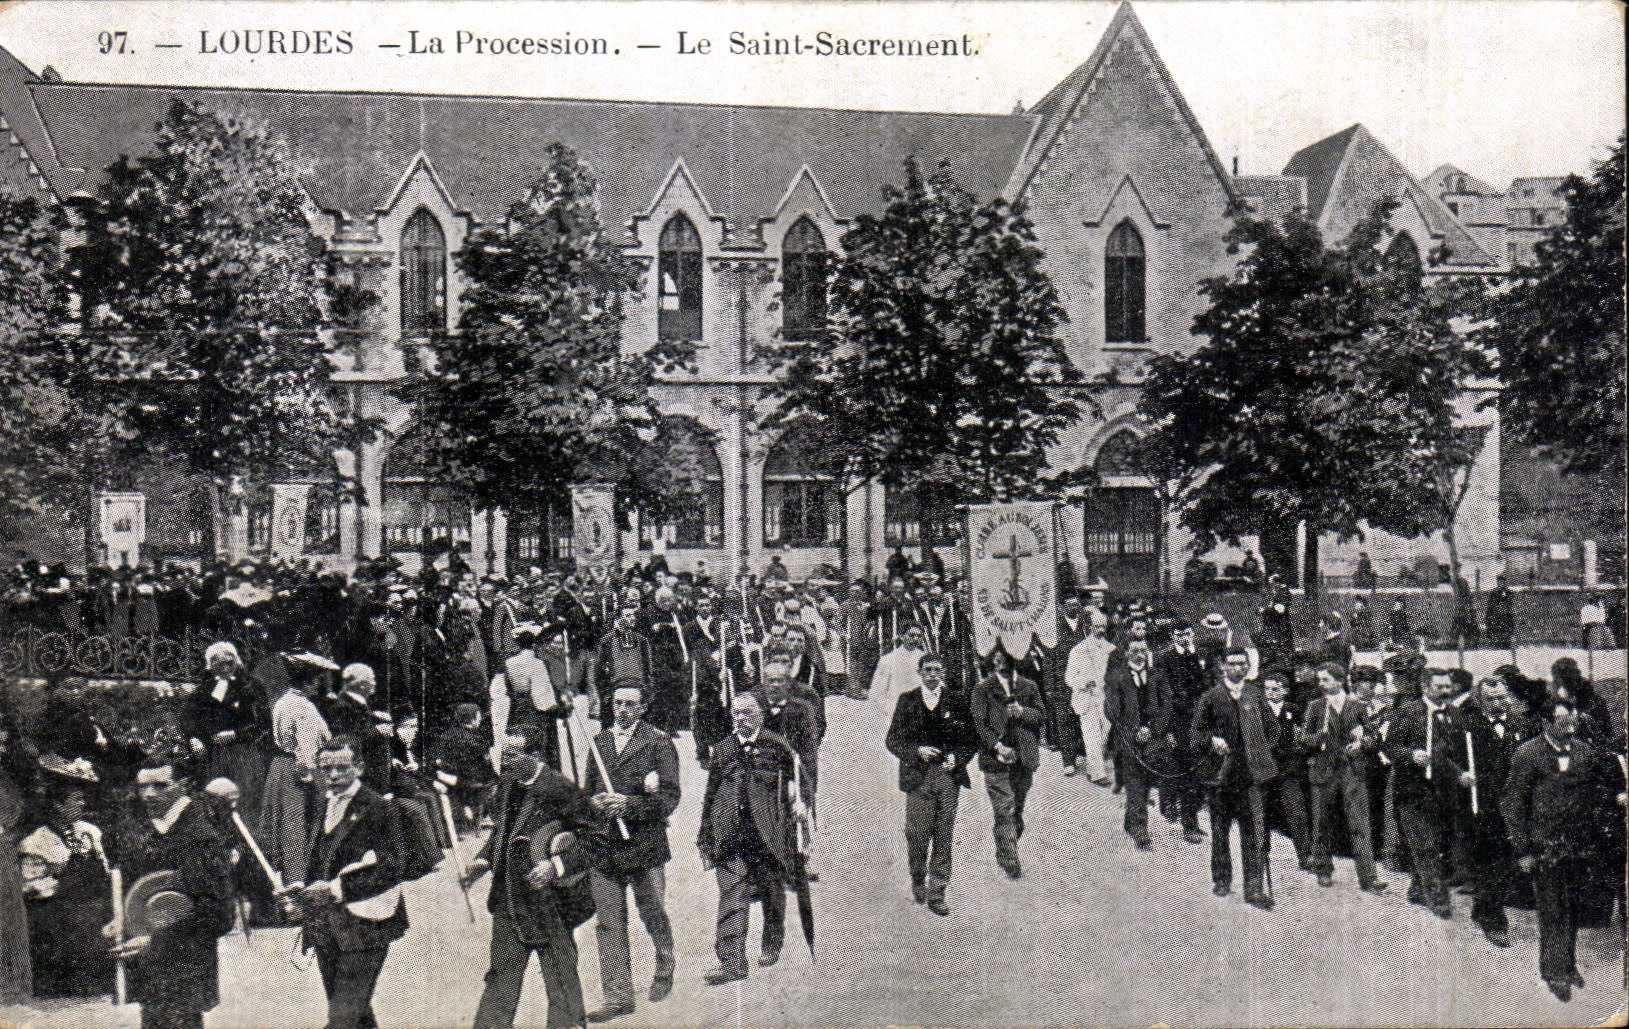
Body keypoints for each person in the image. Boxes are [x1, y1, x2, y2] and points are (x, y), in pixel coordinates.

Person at [464, 733, 599, 1029]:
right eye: (503, 754)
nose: (504, 762)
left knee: (561, 980)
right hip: (508, 899)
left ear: (535, 756)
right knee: (501, 979)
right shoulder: (510, 784)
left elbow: (597, 839)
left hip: (551, 904)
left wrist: (557, 865)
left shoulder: (561, 789)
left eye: (513, 755)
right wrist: (483, 861)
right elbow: (503, 832)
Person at [1502, 698, 1628, 1003]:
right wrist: (1522, 850)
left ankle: (1567, 965)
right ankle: (1555, 971)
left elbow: (1597, 795)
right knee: (1553, 909)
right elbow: (1512, 804)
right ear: (1547, 722)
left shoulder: (1584, 753)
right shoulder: (1527, 754)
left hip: (1579, 848)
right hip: (1543, 848)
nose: (1570, 725)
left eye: (1572, 719)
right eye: (1563, 721)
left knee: (1572, 908)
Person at [289, 735, 413, 1029]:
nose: (332, 775)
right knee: (354, 1015)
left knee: (342, 1018)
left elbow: (394, 867)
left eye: (341, 767)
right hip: (326, 927)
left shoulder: (379, 808)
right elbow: (322, 859)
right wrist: (302, 892)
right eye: (325, 767)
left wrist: (335, 889)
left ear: (358, 767)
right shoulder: (323, 804)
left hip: (366, 925)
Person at [581, 686, 681, 1022]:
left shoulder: (658, 742)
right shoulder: (599, 743)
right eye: (617, 703)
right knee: (609, 922)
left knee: (652, 911)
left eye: (630, 705)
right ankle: (617, 995)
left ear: (642, 709)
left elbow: (669, 797)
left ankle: (664, 965)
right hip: (606, 847)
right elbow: (588, 792)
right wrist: (594, 804)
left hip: (644, 845)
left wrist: (631, 804)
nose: (622, 710)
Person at [117, 751, 236, 1029]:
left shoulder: (200, 835)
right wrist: (119, 920)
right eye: (143, 786)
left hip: (185, 965)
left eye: (160, 785)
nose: (148, 794)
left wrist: (154, 940)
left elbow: (218, 914)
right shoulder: (147, 827)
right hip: (152, 966)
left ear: (183, 784)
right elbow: (139, 894)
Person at [695, 692, 802, 985]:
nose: (740, 718)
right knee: (732, 892)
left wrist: (797, 803)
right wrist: (705, 834)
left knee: (770, 889)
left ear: (761, 715)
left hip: (767, 833)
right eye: (735, 714)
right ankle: (732, 962)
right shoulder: (723, 749)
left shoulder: (777, 746)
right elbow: (710, 794)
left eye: (746, 713)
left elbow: (794, 786)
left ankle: (771, 941)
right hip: (730, 832)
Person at [884, 652, 977, 916]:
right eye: (928, 670)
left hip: (948, 779)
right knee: (916, 833)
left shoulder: (957, 701)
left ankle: (937, 891)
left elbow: (971, 739)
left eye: (937, 669)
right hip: (918, 778)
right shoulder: (908, 701)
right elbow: (892, 740)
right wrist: (917, 751)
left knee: (944, 834)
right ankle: (917, 878)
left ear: (944, 673)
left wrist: (957, 758)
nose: (933, 675)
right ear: (920, 672)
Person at [18, 755, 114, 998]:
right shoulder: (36, 842)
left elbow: (104, 868)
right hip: (62, 923)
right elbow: (30, 888)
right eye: (76, 800)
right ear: (59, 805)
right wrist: (62, 885)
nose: (82, 804)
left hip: (96, 914)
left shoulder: (90, 832)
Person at [1191, 647, 1280, 909]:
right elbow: (1195, 735)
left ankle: (1254, 888)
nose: (1238, 668)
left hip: (1251, 777)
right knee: (1220, 830)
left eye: (1243, 663)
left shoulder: (1255, 695)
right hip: (1221, 776)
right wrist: (1212, 741)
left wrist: (1260, 750)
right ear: (1223, 667)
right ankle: (1221, 879)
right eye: (1233, 664)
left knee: (1253, 832)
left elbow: (1273, 730)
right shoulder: (1211, 697)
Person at [1450, 675, 1533, 948]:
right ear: (1480, 701)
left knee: (1508, 859)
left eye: (1502, 696)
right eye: (1492, 698)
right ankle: (1493, 918)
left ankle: (1483, 906)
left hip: (1515, 804)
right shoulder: (1466, 727)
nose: (1500, 702)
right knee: (1490, 860)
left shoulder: (1522, 725)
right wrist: (1459, 774)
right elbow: (1446, 758)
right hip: (1482, 804)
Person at [1302, 663, 1389, 895]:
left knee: (1359, 823)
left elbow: (1373, 737)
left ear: (1339, 681)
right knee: (1322, 821)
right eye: (1319, 680)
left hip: (1352, 772)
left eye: (1325, 679)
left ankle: (1369, 877)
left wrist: (1361, 743)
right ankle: (1323, 868)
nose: (1321, 684)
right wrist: (1317, 738)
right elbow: (1303, 738)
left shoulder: (1357, 707)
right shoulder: (1315, 707)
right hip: (1323, 772)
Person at [1383, 668, 1458, 918]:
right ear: (1426, 688)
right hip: (1413, 790)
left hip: (1443, 790)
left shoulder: (1454, 714)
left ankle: (1417, 889)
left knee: (1437, 841)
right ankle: (1437, 897)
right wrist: (1411, 756)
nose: (1446, 692)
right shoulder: (1408, 711)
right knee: (1425, 844)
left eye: (1448, 686)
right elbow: (1390, 746)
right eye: (1440, 687)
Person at [970, 648, 1045, 879]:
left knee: (1016, 810)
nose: (1001, 661)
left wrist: (1023, 712)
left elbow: (1042, 716)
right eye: (997, 657)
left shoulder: (1029, 686)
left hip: (1023, 758)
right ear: (992, 661)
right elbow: (979, 724)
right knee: (1005, 809)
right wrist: (997, 746)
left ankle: (1006, 845)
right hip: (996, 759)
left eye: (1006, 657)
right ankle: (1010, 858)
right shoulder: (982, 689)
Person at [262, 653, 334, 890]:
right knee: (300, 824)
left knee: (287, 823)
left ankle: (292, 877)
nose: (320, 685)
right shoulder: (302, 706)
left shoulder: (283, 701)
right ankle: (300, 880)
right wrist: (312, 776)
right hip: (300, 769)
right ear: (310, 681)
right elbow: (307, 746)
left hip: (281, 767)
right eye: (318, 679)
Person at [184, 641, 272, 829]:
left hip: (243, 754)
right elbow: (189, 717)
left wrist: (236, 734)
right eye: (218, 663)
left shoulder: (250, 686)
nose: (224, 666)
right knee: (216, 799)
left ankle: (249, 847)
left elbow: (263, 721)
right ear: (210, 664)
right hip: (215, 756)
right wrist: (194, 738)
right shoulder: (204, 690)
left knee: (245, 799)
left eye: (228, 662)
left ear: (236, 662)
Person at [1105, 640, 1171, 850]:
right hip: (1127, 738)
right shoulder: (1117, 676)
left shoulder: (1157, 675)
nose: (1140, 654)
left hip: (1153, 737)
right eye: (1135, 650)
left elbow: (1167, 705)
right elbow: (1112, 711)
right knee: (1135, 782)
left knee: (1147, 779)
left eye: (1143, 650)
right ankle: (1140, 829)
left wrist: (1152, 729)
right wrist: (1133, 731)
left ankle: (1130, 820)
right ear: (1126, 653)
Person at [1156, 621, 1208, 843]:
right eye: (1179, 634)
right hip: (1178, 722)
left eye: (1187, 633)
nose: (1183, 637)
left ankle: (1186, 813)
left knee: (1198, 772)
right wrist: (1166, 730)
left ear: (1193, 634)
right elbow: (1162, 698)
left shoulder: (1200, 655)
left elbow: (1207, 686)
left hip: (1200, 723)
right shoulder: (1164, 659)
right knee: (1183, 771)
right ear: (1173, 636)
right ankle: (1188, 823)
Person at [1259, 666, 1313, 871]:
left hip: (1289, 769)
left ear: (1284, 691)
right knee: (1262, 811)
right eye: (1267, 689)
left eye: (1274, 689)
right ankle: (1261, 852)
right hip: (1266, 768)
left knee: (1296, 811)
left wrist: (1299, 747)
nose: (1270, 693)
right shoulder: (1259, 710)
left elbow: (1305, 733)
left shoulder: (1294, 710)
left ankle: (1305, 855)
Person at [1062, 610, 1115, 784]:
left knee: (1103, 736)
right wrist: (1085, 682)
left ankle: (1094, 766)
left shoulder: (1111, 649)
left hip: (1106, 700)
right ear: (1088, 627)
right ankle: (1097, 773)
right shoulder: (1078, 651)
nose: (1100, 630)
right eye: (1096, 626)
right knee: (1091, 736)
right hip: (1087, 700)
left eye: (1102, 626)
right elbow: (1069, 678)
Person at [429, 703, 495, 834]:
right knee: (494, 782)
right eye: (478, 716)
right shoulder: (477, 739)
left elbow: (437, 758)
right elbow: (485, 763)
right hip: (471, 779)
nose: (480, 719)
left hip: (451, 777)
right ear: (472, 718)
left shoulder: (445, 736)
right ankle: (483, 815)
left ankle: (466, 808)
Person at [870, 622, 928, 708]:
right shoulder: (888, 659)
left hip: (919, 710)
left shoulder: (926, 659)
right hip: (895, 709)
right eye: (911, 635)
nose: (916, 639)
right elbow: (876, 691)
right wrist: (887, 709)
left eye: (919, 636)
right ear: (901, 636)